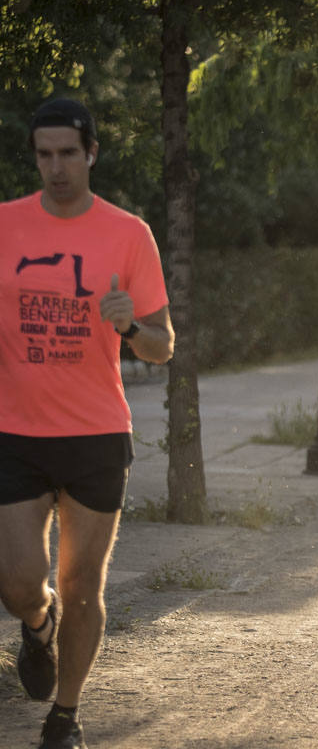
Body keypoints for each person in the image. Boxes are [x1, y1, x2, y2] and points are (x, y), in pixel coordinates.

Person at [0, 98, 173, 749]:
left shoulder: (128, 234)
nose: (56, 168)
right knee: (19, 581)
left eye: (68, 154)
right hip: (14, 430)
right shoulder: (6, 226)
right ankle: (36, 623)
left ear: (91, 154)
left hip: (96, 435)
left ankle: (65, 715)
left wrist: (131, 325)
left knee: (83, 583)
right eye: (43, 155)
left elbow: (163, 346)